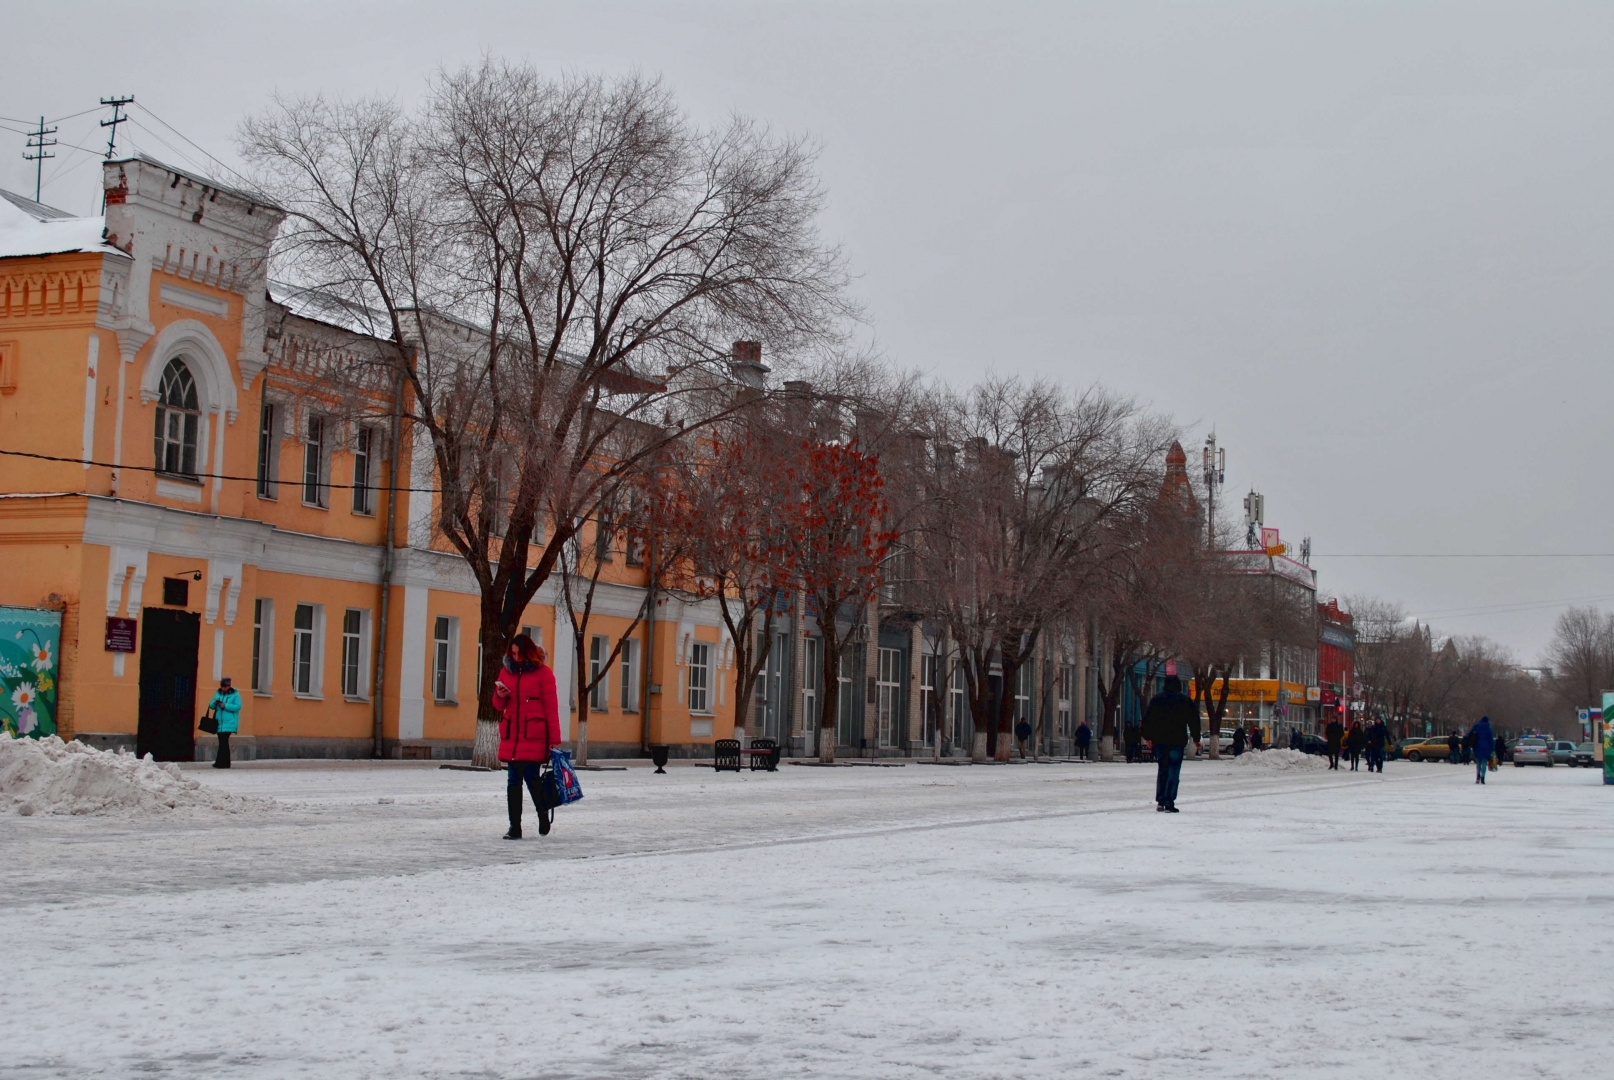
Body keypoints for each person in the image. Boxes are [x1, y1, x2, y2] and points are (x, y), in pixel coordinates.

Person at [493, 634, 561, 840]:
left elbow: (551, 708)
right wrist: (500, 695)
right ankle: (515, 827)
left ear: (527, 652)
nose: (515, 657)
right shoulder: (507, 671)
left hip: (534, 736)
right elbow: (497, 705)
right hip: (512, 736)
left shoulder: (543, 673)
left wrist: (554, 740)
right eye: (512, 653)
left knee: (533, 780)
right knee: (513, 782)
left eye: (518, 653)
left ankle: (542, 815)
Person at [1141, 675, 1200, 813]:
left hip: (1160, 741)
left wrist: (1148, 737)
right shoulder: (1184, 700)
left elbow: (1148, 719)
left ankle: (1160, 801)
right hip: (1177, 741)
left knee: (1163, 769)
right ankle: (1169, 802)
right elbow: (1194, 720)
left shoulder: (1157, 699)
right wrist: (1196, 738)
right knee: (1174, 771)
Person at [206, 677, 242, 769]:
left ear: (229, 686)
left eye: (225, 686)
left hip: (229, 722)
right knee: (222, 742)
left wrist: (224, 705)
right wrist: (215, 702)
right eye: (222, 686)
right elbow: (211, 705)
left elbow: (237, 707)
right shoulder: (218, 693)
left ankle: (222, 763)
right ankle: (223, 763)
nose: (223, 688)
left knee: (223, 741)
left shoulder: (235, 694)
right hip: (219, 722)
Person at [1471, 715, 1495, 784]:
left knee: (1478, 762)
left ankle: (1477, 776)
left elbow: (1470, 734)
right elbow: (1491, 740)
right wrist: (1492, 748)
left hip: (1477, 747)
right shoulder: (1488, 728)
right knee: (1484, 763)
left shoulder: (1476, 726)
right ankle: (1482, 777)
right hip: (1486, 748)